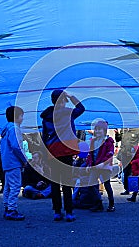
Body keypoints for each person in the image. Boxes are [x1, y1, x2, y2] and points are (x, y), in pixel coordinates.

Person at [41, 90, 85, 222]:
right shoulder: (68, 113)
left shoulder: (46, 116)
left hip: (53, 152)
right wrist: (71, 96)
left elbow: (44, 137)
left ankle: (57, 212)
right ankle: (69, 212)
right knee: (66, 183)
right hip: (66, 151)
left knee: (55, 184)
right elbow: (81, 108)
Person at [1, 106, 28, 221]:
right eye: (21, 116)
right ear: (16, 116)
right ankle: (12, 209)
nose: (22, 118)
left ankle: (7, 207)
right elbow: (17, 147)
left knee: (8, 186)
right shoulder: (14, 129)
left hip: (7, 162)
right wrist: (24, 159)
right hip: (14, 161)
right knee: (15, 186)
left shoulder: (6, 129)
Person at [85, 120, 115, 212]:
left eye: (100, 129)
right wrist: (89, 164)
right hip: (95, 166)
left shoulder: (108, 141)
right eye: (96, 129)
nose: (97, 131)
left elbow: (110, 154)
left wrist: (103, 163)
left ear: (104, 130)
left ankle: (111, 204)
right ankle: (98, 203)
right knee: (91, 184)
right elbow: (90, 154)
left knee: (107, 185)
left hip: (104, 167)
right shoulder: (93, 141)